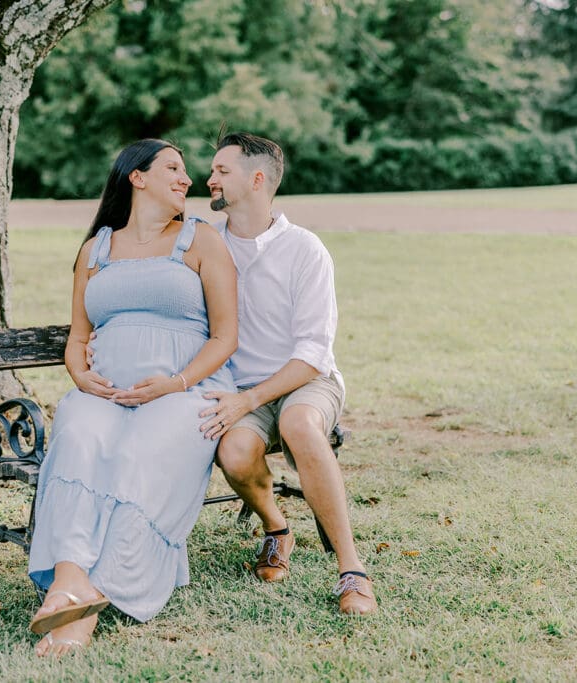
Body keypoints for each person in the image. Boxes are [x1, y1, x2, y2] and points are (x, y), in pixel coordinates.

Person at [26, 139, 238, 657]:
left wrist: (177, 382)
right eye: (172, 167)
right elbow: (79, 336)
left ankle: (96, 596)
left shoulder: (200, 241)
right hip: (104, 393)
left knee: (141, 451)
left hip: (186, 392)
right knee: (77, 434)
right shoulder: (95, 249)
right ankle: (68, 579)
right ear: (136, 177)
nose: (185, 178)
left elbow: (225, 337)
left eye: (185, 170)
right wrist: (80, 375)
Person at [198, 132, 378, 615]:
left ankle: (351, 569)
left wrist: (250, 399)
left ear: (257, 180)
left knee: (298, 422)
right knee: (234, 452)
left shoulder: (305, 249)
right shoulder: (205, 243)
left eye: (221, 171)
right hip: (239, 390)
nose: (209, 178)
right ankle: (278, 530)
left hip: (306, 382)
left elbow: (314, 354)